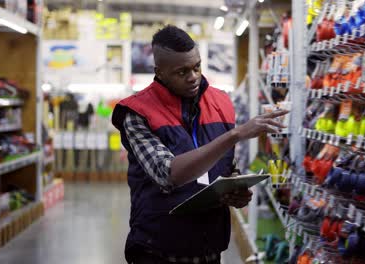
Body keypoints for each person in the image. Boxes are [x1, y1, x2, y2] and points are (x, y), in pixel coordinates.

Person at [112, 25, 288, 264]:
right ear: (159, 72)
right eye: (182, 72)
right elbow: (169, 174)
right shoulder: (137, 113)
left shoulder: (221, 102)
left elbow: (226, 165)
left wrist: (234, 190)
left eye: (196, 67)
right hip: (158, 249)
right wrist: (235, 135)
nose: (193, 76)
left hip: (210, 246)